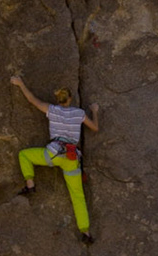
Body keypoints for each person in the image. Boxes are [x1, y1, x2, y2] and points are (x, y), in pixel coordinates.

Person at [10, 75, 95, 239]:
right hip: (71, 158)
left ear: (58, 99)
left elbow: (32, 100)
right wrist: (95, 112)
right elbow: (95, 127)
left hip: (53, 153)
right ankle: (85, 231)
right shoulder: (79, 113)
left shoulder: (52, 110)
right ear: (70, 99)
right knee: (78, 196)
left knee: (24, 155)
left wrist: (20, 83)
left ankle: (30, 184)